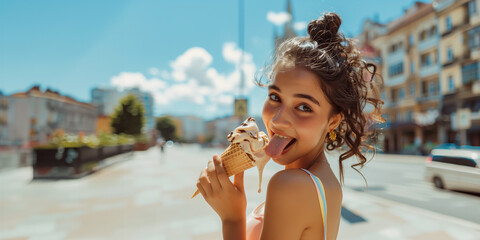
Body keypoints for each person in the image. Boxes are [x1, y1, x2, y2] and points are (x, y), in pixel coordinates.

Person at [196, 12, 384, 240]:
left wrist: (232, 218)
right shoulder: (327, 183)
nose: (276, 121)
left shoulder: (289, 185)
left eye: (304, 107)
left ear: (333, 120)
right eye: (275, 97)